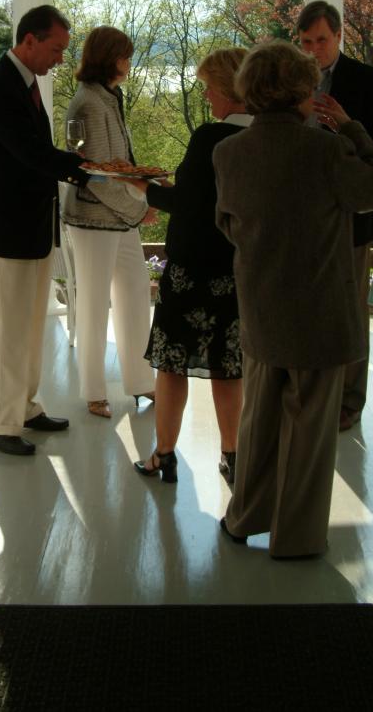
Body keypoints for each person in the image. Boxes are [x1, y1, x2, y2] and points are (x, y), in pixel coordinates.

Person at [214, 42, 373, 558]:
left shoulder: (227, 153)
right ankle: (297, 538)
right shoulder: (328, 150)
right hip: (321, 314)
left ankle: (244, 517)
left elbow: (227, 225)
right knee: (310, 435)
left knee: (258, 423)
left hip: (262, 307)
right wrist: (353, 127)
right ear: (304, 91)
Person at [0, 5, 89, 456]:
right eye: (56, 49)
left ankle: (24, 407)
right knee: (7, 328)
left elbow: (36, 151)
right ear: (30, 41)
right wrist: (86, 169)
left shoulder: (26, 84)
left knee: (30, 324)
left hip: (30, 226)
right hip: (6, 229)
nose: (60, 58)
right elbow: (29, 153)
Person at [131, 48, 251, 485]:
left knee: (172, 364)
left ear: (225, 88)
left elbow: (186, 204)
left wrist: (143, 185)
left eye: (208, 87)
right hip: (237, 269)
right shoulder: (263, 137)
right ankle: (233, 455)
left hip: (191, 270)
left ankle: (163, 456)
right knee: (228, 366)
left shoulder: (210, 137)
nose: (206, 95)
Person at [297, 0, 373, 431]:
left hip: (351, 213)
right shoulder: (293, 79)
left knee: (351, 309)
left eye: (321, 40)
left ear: (339, 35)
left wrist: (346, 127)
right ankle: (311, 391)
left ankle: (349, 401)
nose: (314, 50)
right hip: (302, 216)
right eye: (306, 42)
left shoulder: (364, 80)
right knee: (306, 305)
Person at [62, 26, 156, 417]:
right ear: (110, 59)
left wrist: (145, 185)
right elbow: (95, 175)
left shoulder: (107, 98)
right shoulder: (88, 103)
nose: (128, 63)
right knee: (94, 303)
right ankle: (93, 392)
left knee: (135, 296)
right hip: (92, 220)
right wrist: (140, 208)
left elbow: (118, 166)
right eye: (125, 56)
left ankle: (141, 382)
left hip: (119, 219)